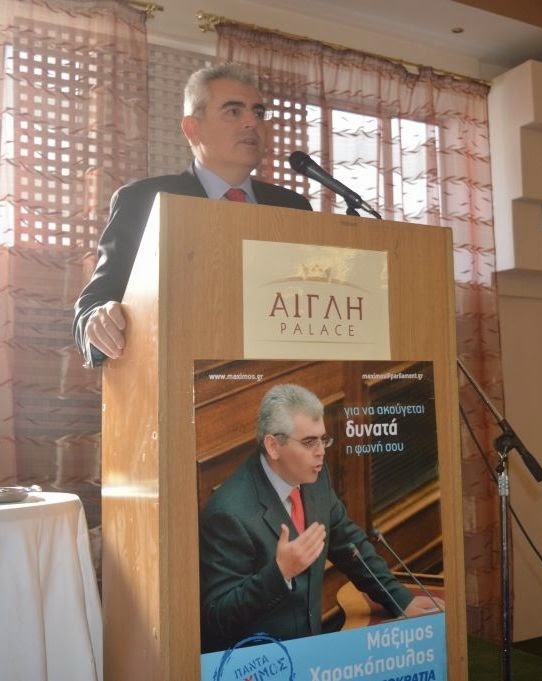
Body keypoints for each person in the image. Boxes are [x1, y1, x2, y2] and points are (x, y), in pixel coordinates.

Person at [73, 64, 312, 367]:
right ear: (192, 129)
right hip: (182, 374)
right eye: (233, 111)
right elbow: (95, 303)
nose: (252, 122)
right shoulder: (144, 201)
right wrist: (98, 321)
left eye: (259, 112)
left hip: (283, 372)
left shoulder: (293, 208)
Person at [199, 383, 444, 653]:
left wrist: (400, 600)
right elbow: (217, 616)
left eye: (323, 439)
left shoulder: (313, 476)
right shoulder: (228, 514)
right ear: (273, 446)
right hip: (260, 661)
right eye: (309, 442)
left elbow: (348, 543)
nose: (321, 451)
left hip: (313, 652)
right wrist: (280, 573)